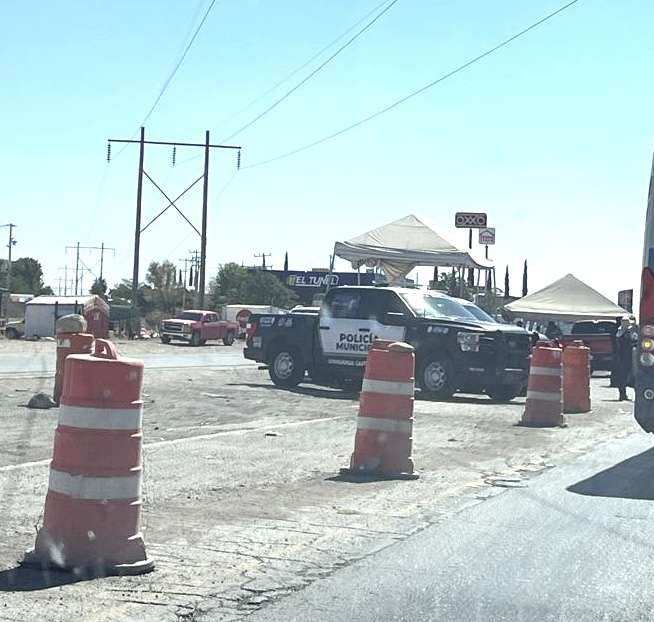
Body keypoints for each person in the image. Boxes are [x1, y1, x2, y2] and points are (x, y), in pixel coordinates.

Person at [613, 316, 635, 400]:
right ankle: (622, 395)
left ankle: (623, 394)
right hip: (624, 356)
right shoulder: (623, 333)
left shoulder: (619, 332)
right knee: (624, 376)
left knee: (623, 376)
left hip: (620, 356)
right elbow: (629, 342)